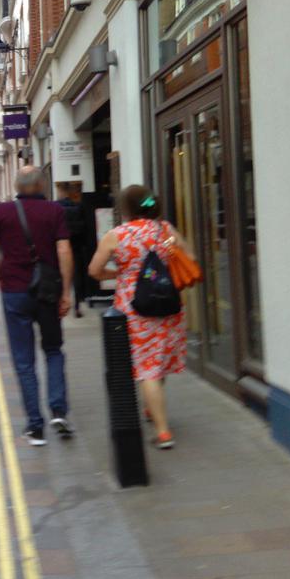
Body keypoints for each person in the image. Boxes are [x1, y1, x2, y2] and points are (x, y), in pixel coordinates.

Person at [87, 185, 194, 450]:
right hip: (167, 303)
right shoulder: (165, 230)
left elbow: (94, 270)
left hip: (135, 310)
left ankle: (163, 432)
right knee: (157, 362)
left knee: (147, 369)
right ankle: (151, 407)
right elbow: (188, 257)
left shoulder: (116, 236)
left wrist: (119, 274)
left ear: (125, 208)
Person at [0, 166, 74, 445]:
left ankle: (35, 427)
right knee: (53, 350)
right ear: (41, 185)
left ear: (17, 185)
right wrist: (66, 292)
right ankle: (58, 411)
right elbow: (64, 250)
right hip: (47, 290)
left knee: (24, 361)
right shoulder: (54, 210)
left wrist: (1, 277)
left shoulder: (2, 211)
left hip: (14, 292)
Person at [56, 185, 88, 318]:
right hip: (76, 246)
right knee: (77, 276)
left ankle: (61, 302)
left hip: (61, 245)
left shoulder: (56, 207)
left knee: (60, 275)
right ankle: (77, 306)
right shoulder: (78, 207)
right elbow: (85, 227)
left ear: (60, 192)